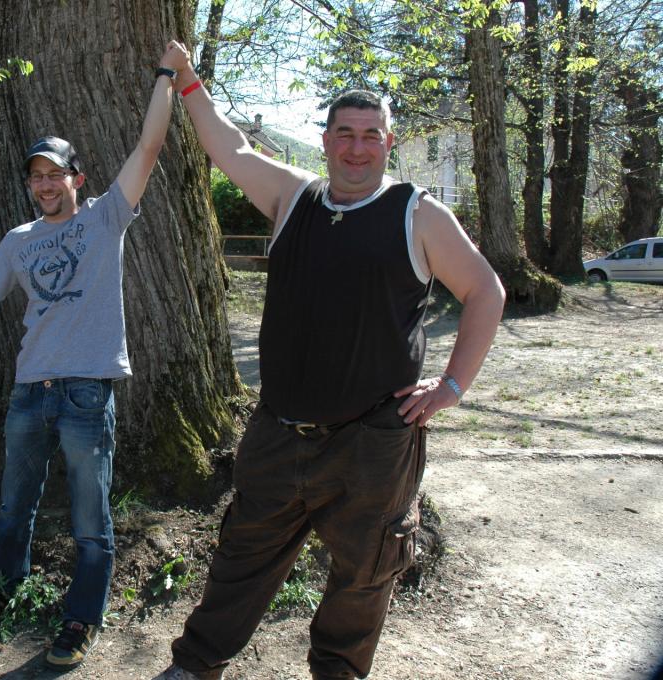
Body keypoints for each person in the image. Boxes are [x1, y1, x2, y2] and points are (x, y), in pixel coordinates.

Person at [154, 57, 506, 679]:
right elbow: (229, 147)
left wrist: (452, 386)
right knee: (241, 556)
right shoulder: (294, 197)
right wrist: (186, 80)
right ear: (325, 140)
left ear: (388, 142)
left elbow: (485, 290)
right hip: (278, 431)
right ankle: (197, 664)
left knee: (364, 573)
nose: (357, 147)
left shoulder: (417, 214)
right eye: (345, 133)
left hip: (372, 442)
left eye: (371, 135)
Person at [0, 42, 190, 669]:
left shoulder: (106, 218)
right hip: (30, 391)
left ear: (78, 178)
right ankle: (3, 583)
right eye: (36, 177)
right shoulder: (18, 239)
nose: (45, 185)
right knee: (12, 505)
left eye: (56, 174)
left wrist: (166, 74)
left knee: (89, 518)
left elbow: (149, 147)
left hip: (86, 393)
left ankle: (81, 617)